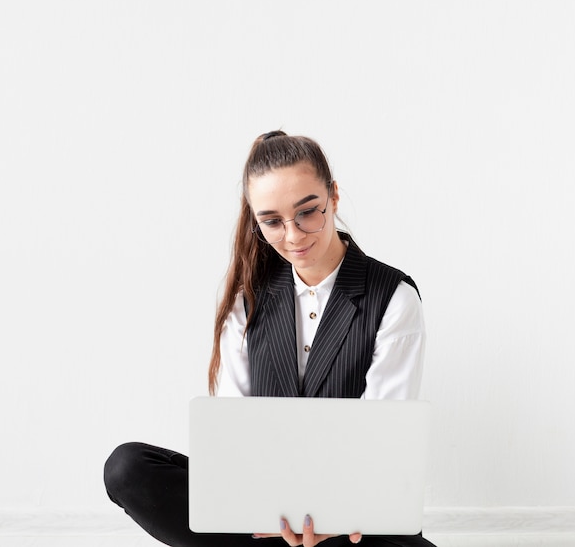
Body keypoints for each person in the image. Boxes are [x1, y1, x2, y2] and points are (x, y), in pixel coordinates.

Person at [104, 131, 436, 547]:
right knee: (127, 468)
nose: (294, 236)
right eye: (273, 222)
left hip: (353, 526)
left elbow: (386, 445)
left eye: (308, 212)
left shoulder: (393, 297)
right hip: (262, 521)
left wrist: (335, 515)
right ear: (255, 219)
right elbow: (228, 438)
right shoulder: (248, 301)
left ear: (333, 196)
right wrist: (253, 507)